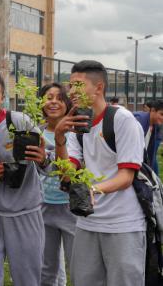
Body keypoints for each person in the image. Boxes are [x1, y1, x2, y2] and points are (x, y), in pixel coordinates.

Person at [54, 60, 146, 286]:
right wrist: (59, 139)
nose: (72, 91)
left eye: (79, 85)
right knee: (84, 280)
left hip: (123, 223)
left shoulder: (122, 120)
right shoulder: (77, 126)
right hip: (87, 222)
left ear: (99, 88)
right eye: (70, 85)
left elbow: (126, 177)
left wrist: (93, 189)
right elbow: (67, 176)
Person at [0, 71, 47, 286]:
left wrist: (43, 159)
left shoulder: (19, 121)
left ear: (2, 97)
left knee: (27, 278)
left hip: (25, 212)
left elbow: (48, 164)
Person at [38, 83, 76, 286]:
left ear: (67, 103)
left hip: (71, 208)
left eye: (59, 98)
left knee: (78, 266)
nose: (53, 102)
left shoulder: (77, 135)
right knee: (46, 268)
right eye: (48, 97)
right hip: (43, 206)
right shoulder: (35, 132)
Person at [133, 99, 163, 174]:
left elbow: (149, 152)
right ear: (152, 110)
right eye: (161, 114)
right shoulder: (139, 121)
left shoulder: (154, 125)